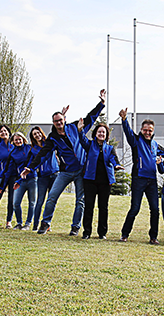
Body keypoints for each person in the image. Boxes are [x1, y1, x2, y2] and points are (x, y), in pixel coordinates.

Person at [22, 89, 106, 235]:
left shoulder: (74, 127)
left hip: (81, 170)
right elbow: (43, 153)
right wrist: (30, 167)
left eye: (61, 120)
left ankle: (75, 227)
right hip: (65, 171)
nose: (59, 123)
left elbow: (90, 118)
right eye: (56, 121)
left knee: (80, 200)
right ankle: (45, 223)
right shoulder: (53, 137)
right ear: (53, 123)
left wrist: (101, 103)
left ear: (64, 120)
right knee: (52, 196)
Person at [118, 109, 164, 244]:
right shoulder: (136, 141)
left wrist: (163, 161)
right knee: (135, 208)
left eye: (150, 130)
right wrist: (124, 120)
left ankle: (153, 237)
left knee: (155, 209)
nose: (147, 132)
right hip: (139, 178)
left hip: (152, 180)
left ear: (153, 131)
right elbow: (128, 132)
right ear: (141, 129)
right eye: (145, 130)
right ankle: (124, 234)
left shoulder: (156, 145)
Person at [77, 119, 123, 240]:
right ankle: (87, 232)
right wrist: (80, 130)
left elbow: (114, 159)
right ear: (95, 133)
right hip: (90, 180)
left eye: (103, 132)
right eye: (99, 132)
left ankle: (102, 233)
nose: (101, 134)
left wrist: (116, 165)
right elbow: (82, 140)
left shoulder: (110, 148)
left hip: (105, 182)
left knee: (103, 207)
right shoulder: (90, 145)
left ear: (106, 135)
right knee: (89, 206)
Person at [0, 132, 36, 230]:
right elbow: (9, 170)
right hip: (21, 181)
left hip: (32, 179)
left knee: (32, 202)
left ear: (23, 139)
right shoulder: (13, 153)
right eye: (16, 140)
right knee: (15, 202)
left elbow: (34, 162)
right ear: (13, 142)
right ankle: (19, 222)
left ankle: (28, 223)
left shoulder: (30, 148)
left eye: (20, 139)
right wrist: (3, 185)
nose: (18, 141)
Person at [27, 126, 59, 231]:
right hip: (43, 177)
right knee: (40, 201)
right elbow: (31, 163)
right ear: (33, 137)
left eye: (38, 133)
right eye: (35, 134)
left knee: (51, 200)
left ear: (42, 133)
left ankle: (47, 223)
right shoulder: (33, 150)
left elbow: (56, 133)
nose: (37, 135)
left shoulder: (49, 144)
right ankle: (35, 224)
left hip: (54, 174)